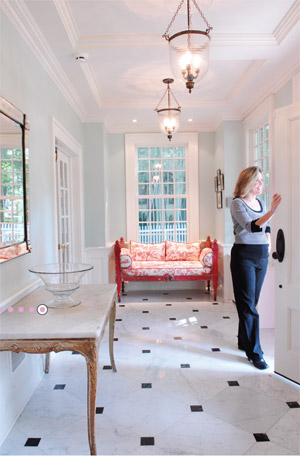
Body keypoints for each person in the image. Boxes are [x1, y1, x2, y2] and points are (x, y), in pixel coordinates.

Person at [230, 166, 281, 369]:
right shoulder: (237, 204)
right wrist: (273, 211)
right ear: (248, 182)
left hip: (260, 255)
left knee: (251, 302)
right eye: (258, 180)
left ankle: (244, 340)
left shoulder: (259, 202)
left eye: (262, 180)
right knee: (249, 305)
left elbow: (265, 227)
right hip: (244, 255)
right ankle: (255, 353)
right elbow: (253, 226)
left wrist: (268, 243)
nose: (261, 183)